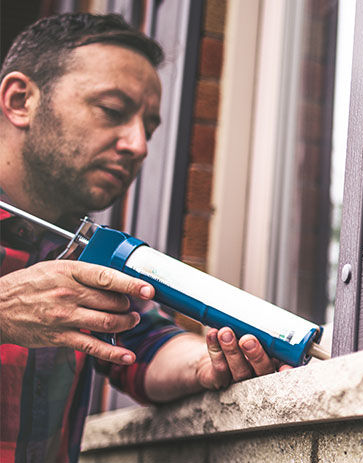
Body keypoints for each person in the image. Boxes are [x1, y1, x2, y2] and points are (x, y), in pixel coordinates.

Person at [0, 13, 289, 463]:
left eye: (148, 129)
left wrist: (211, 361)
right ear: (21, 100)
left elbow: (147, 346)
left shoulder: (88, 251)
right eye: (112, 111)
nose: (139, 145)